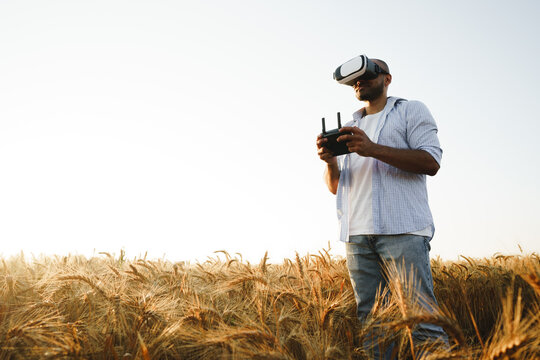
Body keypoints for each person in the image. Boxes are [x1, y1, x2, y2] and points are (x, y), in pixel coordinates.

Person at [316, 58, 447, 357]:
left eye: (367, 75)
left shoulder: (410, 110)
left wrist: (371, 148)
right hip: (357, 235)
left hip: (402, 231)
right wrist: (331, 162)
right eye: (354, 81)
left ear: (387, 79)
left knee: (421, 319)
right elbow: (336, 187)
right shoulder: (349, 126)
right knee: (374, 324)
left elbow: (431, 162)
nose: (359, 82)